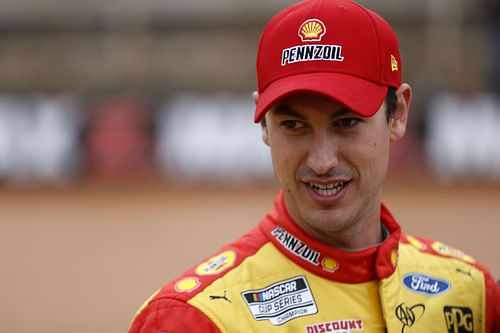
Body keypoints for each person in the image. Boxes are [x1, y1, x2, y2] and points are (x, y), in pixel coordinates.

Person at [129, 0, 500, 332]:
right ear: (264, 127)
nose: (322, 162)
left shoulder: (470, 294)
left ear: (398, 114)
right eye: (293, 125)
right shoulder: (193, 320)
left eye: (347, 123)